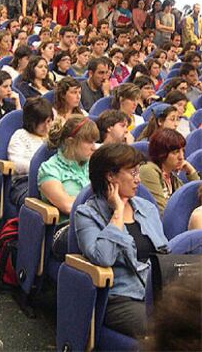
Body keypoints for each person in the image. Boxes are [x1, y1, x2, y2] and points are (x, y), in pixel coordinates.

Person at [75, 143, 168, 338]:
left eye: (138, 173)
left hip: (155, 291)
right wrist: (117, 212)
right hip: (121, 298)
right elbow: (104, 258)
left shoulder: (146, 208)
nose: (138, 180)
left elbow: (164, 253)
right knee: (168, 330)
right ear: (110, 176)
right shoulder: (87, 214)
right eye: (133, 173)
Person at [38, 115, 99, 222]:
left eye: (94, 142)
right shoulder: (49, 168)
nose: (94, 147)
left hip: (97, 223)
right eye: (89, 142)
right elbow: (68, 206)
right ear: (70, 142)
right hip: (68, 227)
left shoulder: (94, 164)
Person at [140, 128, 200, 215]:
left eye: (183, 151)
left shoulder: (172, 177)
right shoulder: (149, 171)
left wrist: (191, 171)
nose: (181, 157)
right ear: (161, 153)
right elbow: (163, 213)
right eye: (176, 152)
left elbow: (196, 199)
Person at [7, 97, 53, 206]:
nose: (47, 127)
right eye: (42, 123)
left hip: (52, 181)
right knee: (50, 199)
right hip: (25, 182)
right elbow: (16, 164)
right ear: (31, 122)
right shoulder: (20, 135)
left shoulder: (53, 137)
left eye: (49, 121)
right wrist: (44, 170)